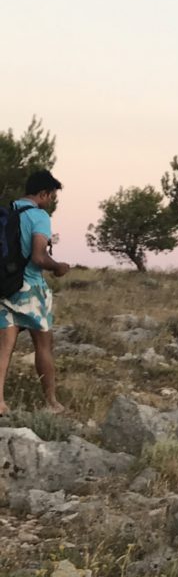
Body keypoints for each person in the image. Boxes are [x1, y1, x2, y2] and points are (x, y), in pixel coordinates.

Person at [0, 170, 71, 415]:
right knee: (43, 345)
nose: (50, 201)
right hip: (30, 289)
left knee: (4, 348)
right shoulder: (39, 216)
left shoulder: (9, 211)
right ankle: (51, 402)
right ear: (43, 193)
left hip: (5, 287)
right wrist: (58, 267)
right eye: (50, 196)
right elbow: (39, 257)